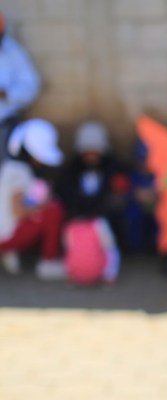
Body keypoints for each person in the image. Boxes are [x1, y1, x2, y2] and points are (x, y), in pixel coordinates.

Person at [0, 118, 66, 279]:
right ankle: (48, 262)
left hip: (6, 234)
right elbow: (18, 211)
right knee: (54, 210)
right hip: (7, 237)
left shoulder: (11, 167)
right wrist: (43, 205)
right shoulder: (19, 171)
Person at [57, 120, 121, 285]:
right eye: (87, 152)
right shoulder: (70, 172)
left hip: (102, 220)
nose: (91, 156)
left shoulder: (111, 169)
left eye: (95, 151)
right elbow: (66, 195)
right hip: (77, 222)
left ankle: (108, 274)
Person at [0, 11, 41, 163]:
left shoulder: (12, 52)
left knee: (6, 177)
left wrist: (6, 94)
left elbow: (31, 87)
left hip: (4, 128)